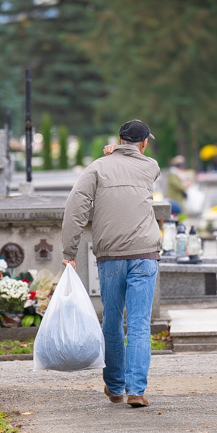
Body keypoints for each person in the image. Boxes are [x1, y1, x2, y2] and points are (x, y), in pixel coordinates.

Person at [61, 119, 161, 408]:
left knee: (113, 321)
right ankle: (137, 390)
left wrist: (69, 251)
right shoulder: (151, 166)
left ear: (118, 139)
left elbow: (75, 208)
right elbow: (135, 164)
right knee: (140, 324)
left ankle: (115, 386)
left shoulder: (96, 168)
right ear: (144, 143)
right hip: (145, 254)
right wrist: (116, 154)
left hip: (110, 256)